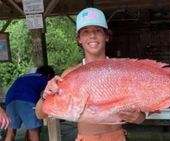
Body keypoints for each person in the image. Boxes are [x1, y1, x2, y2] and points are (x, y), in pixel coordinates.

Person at [35, 7, 145, 141]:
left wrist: (137, 117)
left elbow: (141, 118)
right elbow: (40, 114)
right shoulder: (71, 74)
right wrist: (45, 95)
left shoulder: (121, 71)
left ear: (106, 36)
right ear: (79, 39)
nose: (92, 35)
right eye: (86, 32)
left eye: (97, 31)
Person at [4, 65, 55, 141]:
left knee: (11, 132)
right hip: (27, 100)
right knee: (33, 130)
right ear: (49, 75)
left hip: (9, 100)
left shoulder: (24, 76)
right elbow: (43, 97)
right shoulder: (45, 79)